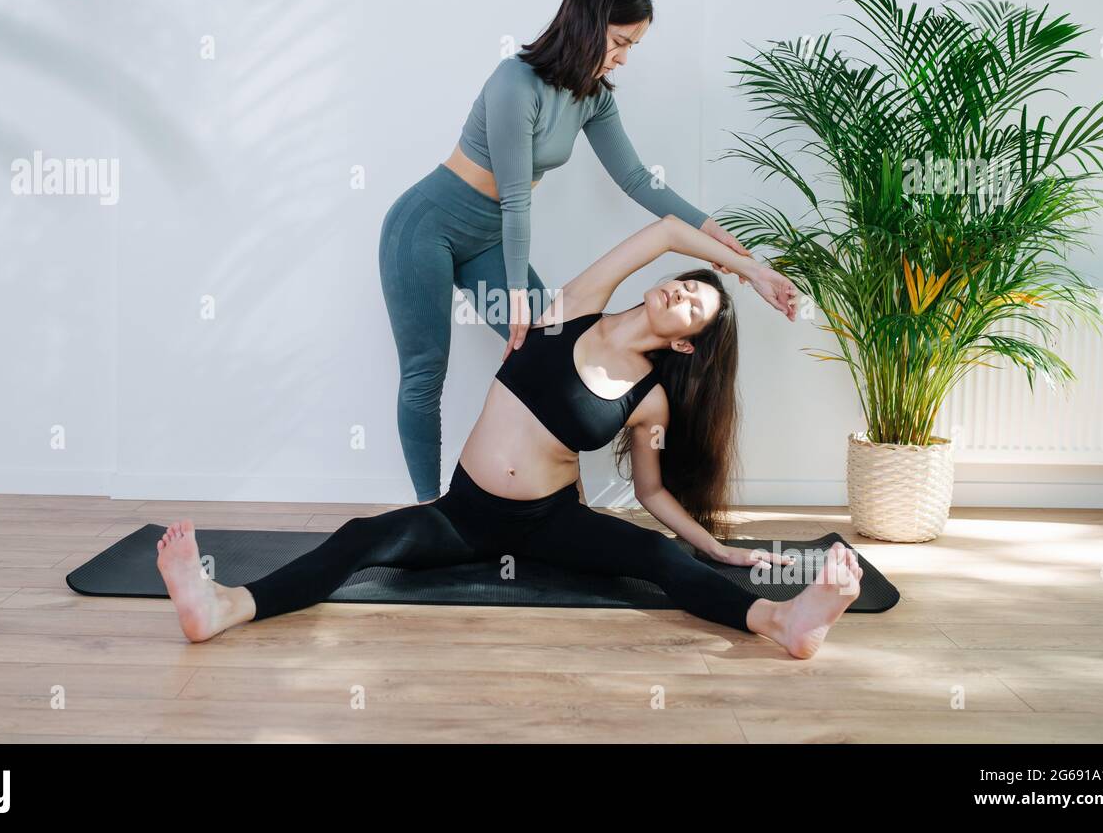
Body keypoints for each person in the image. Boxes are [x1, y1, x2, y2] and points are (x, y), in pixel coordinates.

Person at [157, 215, 864, 659]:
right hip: (463, 515)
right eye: (683, 286)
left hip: (551, 523)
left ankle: (781, 622)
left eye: (695, 309)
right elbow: (668, 232)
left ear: (686, 346)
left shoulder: (652, 401)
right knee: (358, 538)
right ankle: (224, 607)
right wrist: (753, 272)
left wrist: (709, 547)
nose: (679, 295)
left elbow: (650, 491)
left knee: (653, 558)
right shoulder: (573, 310)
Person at [378, 0, 757, 503]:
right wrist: (515, 295)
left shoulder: (595, 99)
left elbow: (637, 180)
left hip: (489, 240)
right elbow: (515, 196)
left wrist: (719, 239)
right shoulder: (515, 81)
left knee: (553, 346)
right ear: (588, 22)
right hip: (424, 227)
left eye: (634, 46)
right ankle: (426, 511)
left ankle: (561, 505)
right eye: (621, 41)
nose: (624, 57)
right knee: (424, 373)